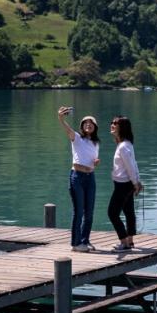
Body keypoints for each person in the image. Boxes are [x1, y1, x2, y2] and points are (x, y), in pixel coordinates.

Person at [57, 106, 100, 253]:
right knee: (79, 211)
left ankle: (85, 240)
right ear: (82, 126)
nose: (88, 125)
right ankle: (75, 244)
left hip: (90, 177)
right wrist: (61, 118)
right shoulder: (76, 138)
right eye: (85, 123)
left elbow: (92, 159)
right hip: (77, 177)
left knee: (89, 212)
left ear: (95, 127)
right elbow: (67, 129)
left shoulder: (96, 143)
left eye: (91, 123)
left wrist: (95, 163)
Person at [107, 115, 143, 252]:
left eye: (115, 123)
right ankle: (130, 241)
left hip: (123, 185)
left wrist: (136, 182)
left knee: (112, 213)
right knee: (128, 212)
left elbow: (130, 166)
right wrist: (136, 181)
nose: (112, 125)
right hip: (126, 184)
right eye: (112, 122)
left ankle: (124, 242)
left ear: (122, 127)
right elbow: (134, 164)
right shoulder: (126, 144)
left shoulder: (123, 147)